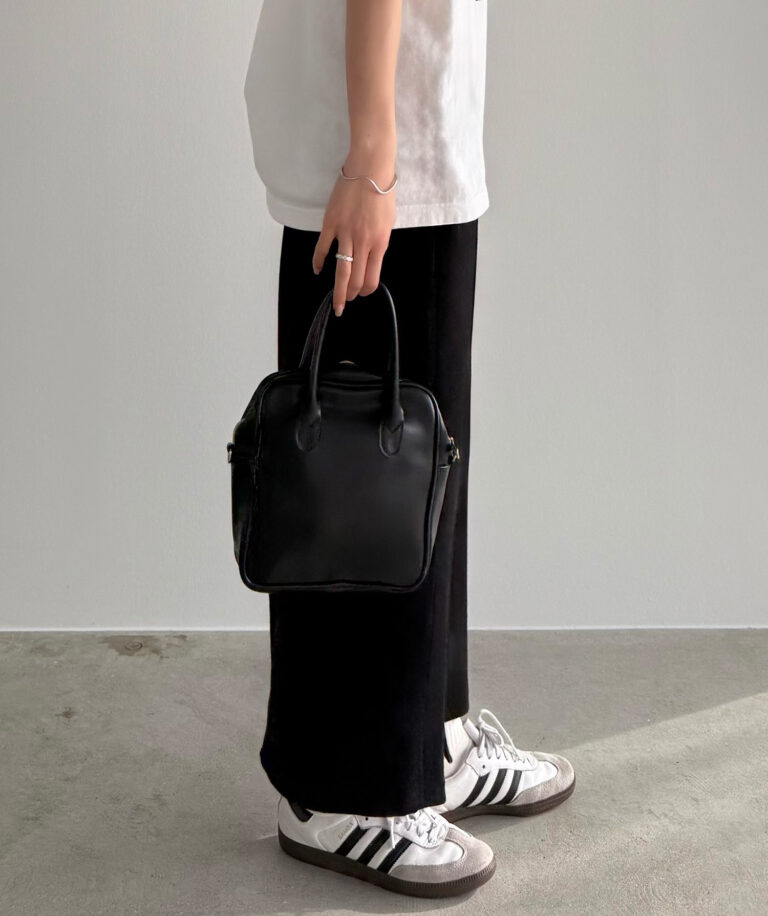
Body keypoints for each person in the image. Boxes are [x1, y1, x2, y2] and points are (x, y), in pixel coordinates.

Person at [243, 0, 575, 899]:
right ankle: (340, 791)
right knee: (357, 487)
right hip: (381, 149)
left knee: (424, 474)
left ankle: (430, 736)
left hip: (418, 133)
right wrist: (373, 154)